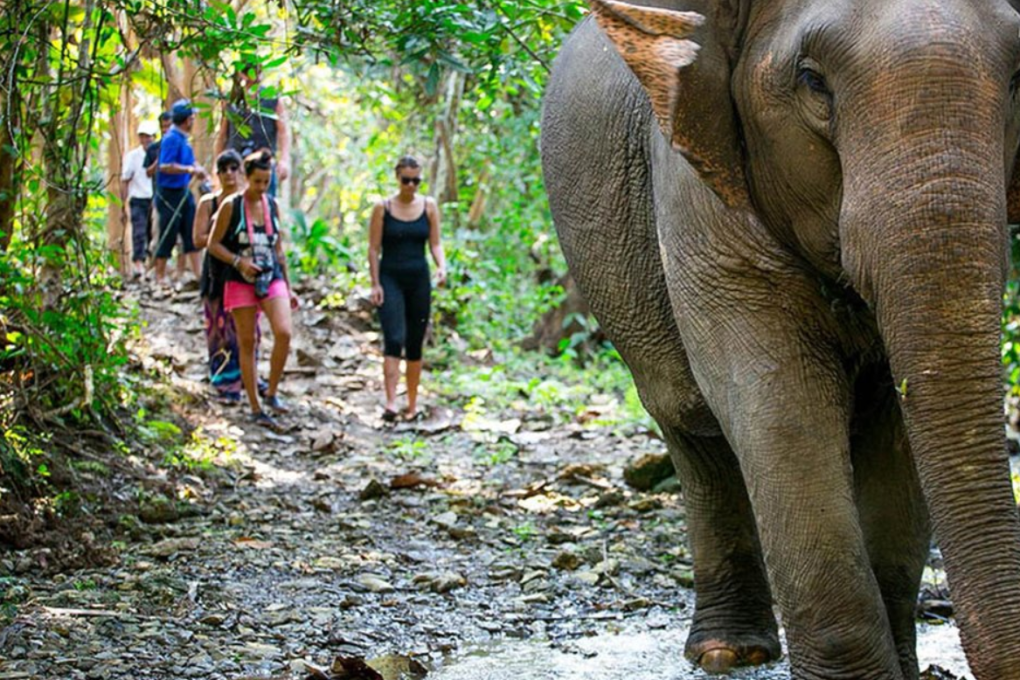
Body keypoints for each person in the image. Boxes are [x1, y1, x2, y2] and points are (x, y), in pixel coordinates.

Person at [207, 150, 298, 429]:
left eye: (266, 182)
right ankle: (255, 406)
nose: (261, 187)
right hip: (239, 279)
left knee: (284, 332)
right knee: (248, 342)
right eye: (257, 181)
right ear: (246, 178)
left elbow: (278, 248)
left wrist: (289, 287)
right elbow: (213, 244)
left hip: (271, 276)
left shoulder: (272, 205)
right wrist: (239, 261)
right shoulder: (231, 206)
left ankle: (272, 392)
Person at [368, 155, 447, 422]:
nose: (411, 186)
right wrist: (375, 283)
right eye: (406, 180)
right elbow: (373, 248)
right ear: (397, 178)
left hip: (418, 279)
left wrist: (442, 266)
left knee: (415, 342)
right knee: (394, 338)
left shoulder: (429, 206)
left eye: (416, 181)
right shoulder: (383, 208)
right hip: (390, 278)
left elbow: (435, 243)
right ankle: (391, 403)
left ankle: (412, 405)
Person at [192, 149, 250, 402]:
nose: (229, 174)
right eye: (224, 169)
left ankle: (247, 376)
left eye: (234, 168)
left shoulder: (248, 202)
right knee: (218, 327)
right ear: (217, 174)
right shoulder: (209, 202)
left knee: (245, 329)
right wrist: (221, 234)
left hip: (243, 270)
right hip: (217, 270)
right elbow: (198, 238)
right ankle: (224, 379)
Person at [215, 63, 290, 197]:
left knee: (266, 202)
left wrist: (284, 160)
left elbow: (283, 132)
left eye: (257, 71)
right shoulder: (231, 100)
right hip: (236, 165)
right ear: (242, 74)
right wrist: (217, 165)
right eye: (251, 71)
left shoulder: (272, 99)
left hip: (263, 164)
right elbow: (222, 134)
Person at [155, 99, 205, 286]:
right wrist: (189, 170)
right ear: (186, 120)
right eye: (192, 118)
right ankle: (160, 276)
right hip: (169, 193)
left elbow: (191, 162)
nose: (193, 121)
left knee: (191, 231)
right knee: (168, 232)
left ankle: (199, 276)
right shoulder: (171, 139)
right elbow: (165, 166)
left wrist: (199, 170)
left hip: (184, 191)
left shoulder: (184, 139)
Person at [121, 121, 156, 278]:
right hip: (138, 200)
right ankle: (138, 263)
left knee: (153, 233)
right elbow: (125, 180)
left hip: (155, 200)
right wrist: (123, 204)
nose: (146, 140)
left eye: (149, 136)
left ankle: (152, 265)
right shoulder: (133, 157)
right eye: (143, 136)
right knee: (139, 232)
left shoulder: (159, 154)